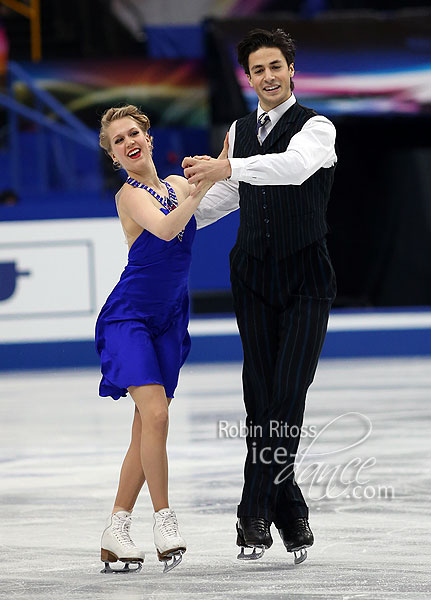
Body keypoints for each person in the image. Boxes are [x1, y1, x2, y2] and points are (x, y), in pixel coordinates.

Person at [183, 28, 337, 565]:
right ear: (247, 78)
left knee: (287, 391)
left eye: (276, 67)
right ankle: (289, 508)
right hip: (251, 274)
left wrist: (227, 166)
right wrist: (171, 212)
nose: (268, 77)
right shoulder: (240, 129)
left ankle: (254, 505)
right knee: (259, 394)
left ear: (291, 69)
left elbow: (292, 172)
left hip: (305, 278)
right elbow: (226, 196)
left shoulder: (316, 128)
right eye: (258, 70)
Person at [96, 105, 217, 573]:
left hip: (169, 320)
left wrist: (219, 169)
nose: (129, 143)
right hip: (129, 318)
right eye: (118, 141)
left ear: (147, 136)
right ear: (114, 157)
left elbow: (212, 196)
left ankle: (115, 527)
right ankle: (164, 519)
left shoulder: (178, 184)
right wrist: (198, 192)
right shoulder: (129, 196)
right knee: (158, 414)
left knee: (145, 427)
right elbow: (168, 229)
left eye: (134, 133)